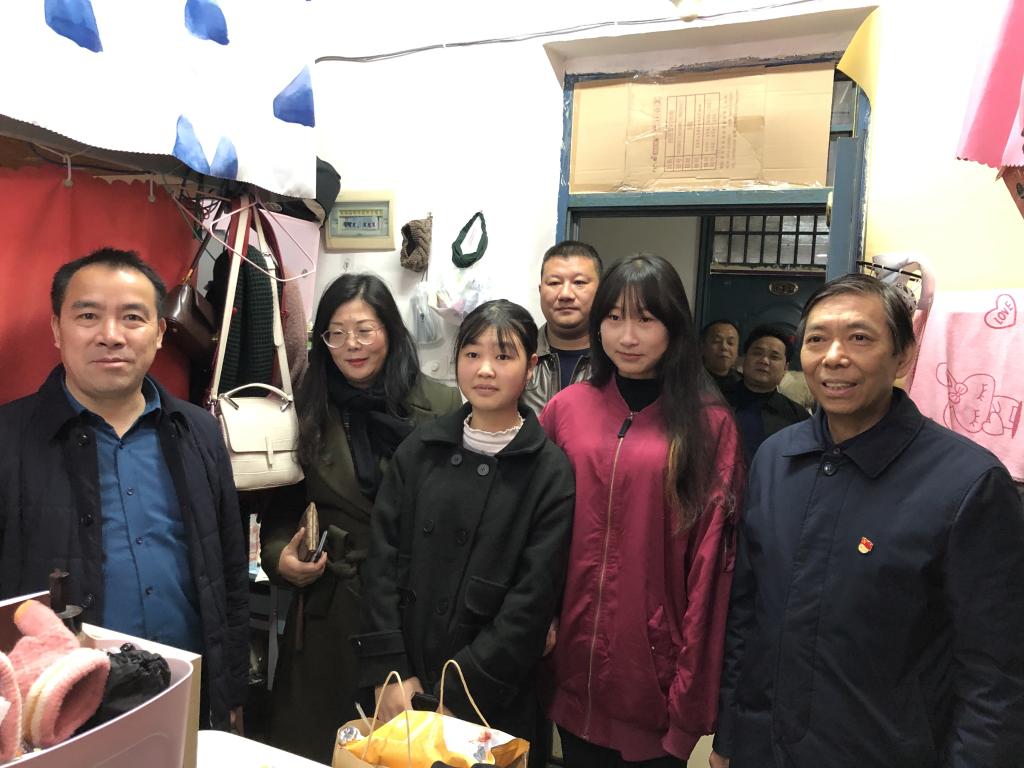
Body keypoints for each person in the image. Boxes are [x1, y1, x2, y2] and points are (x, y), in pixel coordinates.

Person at [712, 274, 1024, 768]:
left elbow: (996, 676)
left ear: (904, 356)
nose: (834, 356)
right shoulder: (775, 458)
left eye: (859, 337)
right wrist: (730, 736)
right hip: (763, 749)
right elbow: (747, 615)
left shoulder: (968, 483)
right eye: (817, 339)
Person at [0, 248, 248, 730]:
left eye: (132, 317)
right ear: (57, 330)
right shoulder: (8, 438)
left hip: (185, 694)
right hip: (58, 711)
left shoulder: (198, 431)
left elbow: (229, 572)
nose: (110, 335)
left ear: (159, 333)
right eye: (88, 315)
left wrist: (230, 692)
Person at [541, 253, 744, 767]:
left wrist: (691, 703)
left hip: (651, 682)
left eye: (646, 319)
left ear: (674, 327)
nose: (627, 336)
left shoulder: (708, 425)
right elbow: (534, 534)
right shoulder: (566, 409)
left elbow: (712, 570)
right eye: (614, 318)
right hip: (566, 670)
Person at [355, 300, 575, 768]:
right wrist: (391, 670)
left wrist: (455, 694)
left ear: (531, 367)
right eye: (472, 354)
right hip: (404, 681)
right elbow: (381, 560)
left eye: (503, 355)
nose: (485, 370)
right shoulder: (421, 447)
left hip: (491, 695)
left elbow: (531, 602)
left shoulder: (549, 470)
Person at [259, 273, 461, 763]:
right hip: (331, 605)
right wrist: (280, 559)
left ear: (390, 330)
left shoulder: (441, 406)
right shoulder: (305, 407)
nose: (351, 345)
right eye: (336, 333)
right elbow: (281, 510)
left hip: (413, 605)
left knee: (407, 748)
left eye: (365, 330)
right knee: (318, 746)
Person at [522, 240, 602, 415]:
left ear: (601, 291)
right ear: (540, 291)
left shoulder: (616, 360)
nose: (565, 294)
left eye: (579, 282)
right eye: (554, 283)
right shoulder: (518, 355)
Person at [724, 325, 809, 463]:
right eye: (757, 353)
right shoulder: (718, 402)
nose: (764, 361)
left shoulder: (798, 418)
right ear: (744, 359)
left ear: (785, 368)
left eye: (774, 357)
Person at [700, 319, 741, 393]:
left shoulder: (742, 383)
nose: (724, 347)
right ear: (702, 347)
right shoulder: (689, 378)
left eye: (730, 343)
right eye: (717, 341)